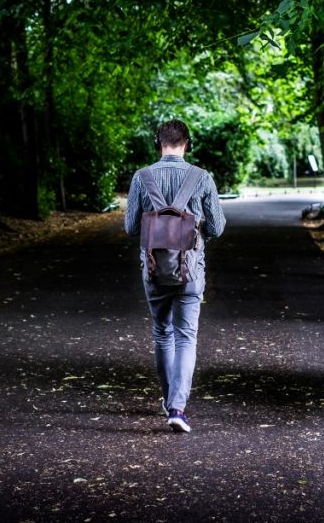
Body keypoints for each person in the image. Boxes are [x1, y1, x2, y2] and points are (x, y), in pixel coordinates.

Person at [124, 119, 226, 433]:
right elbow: (217, 228)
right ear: (187, 143)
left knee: (162, 334)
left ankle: (170, 401)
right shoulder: (202, 177)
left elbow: (131, 228)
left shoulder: (142, 178)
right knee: (186, 337)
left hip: (154, 270)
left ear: (159, 143)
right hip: (191, 271)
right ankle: (177, 408)